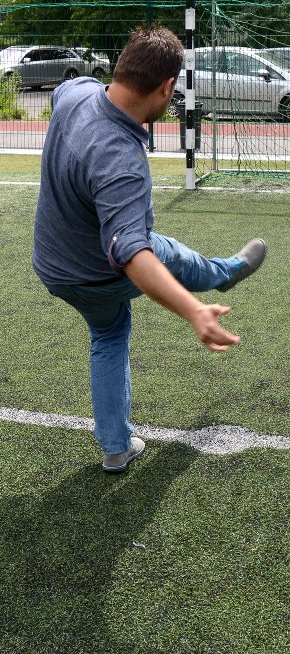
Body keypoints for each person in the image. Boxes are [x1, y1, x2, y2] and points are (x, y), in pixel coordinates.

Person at [32, 25, 266, 473]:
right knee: (164, 253)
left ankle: (117, 448)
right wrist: (193, 311)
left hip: (54, 266)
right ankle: (225, 273)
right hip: (100, 272)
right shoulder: (120, 161)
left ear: (122, 67)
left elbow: (63, 90)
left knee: (108, 334)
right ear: (167, 86)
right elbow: (133, 257)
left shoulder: (76, 93)